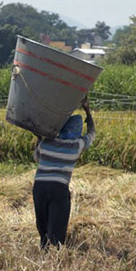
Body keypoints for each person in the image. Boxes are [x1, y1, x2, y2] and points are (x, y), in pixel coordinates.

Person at [33, 96, 95, 249]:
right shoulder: (76, 145)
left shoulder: (47, 142)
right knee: (57, 230)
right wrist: (87, 110)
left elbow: (37, 158)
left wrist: (39, 138)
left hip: (39, 187)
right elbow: (92, 133)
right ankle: (55, 256)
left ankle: (44, 252)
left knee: (43, 226)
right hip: (58, 188)